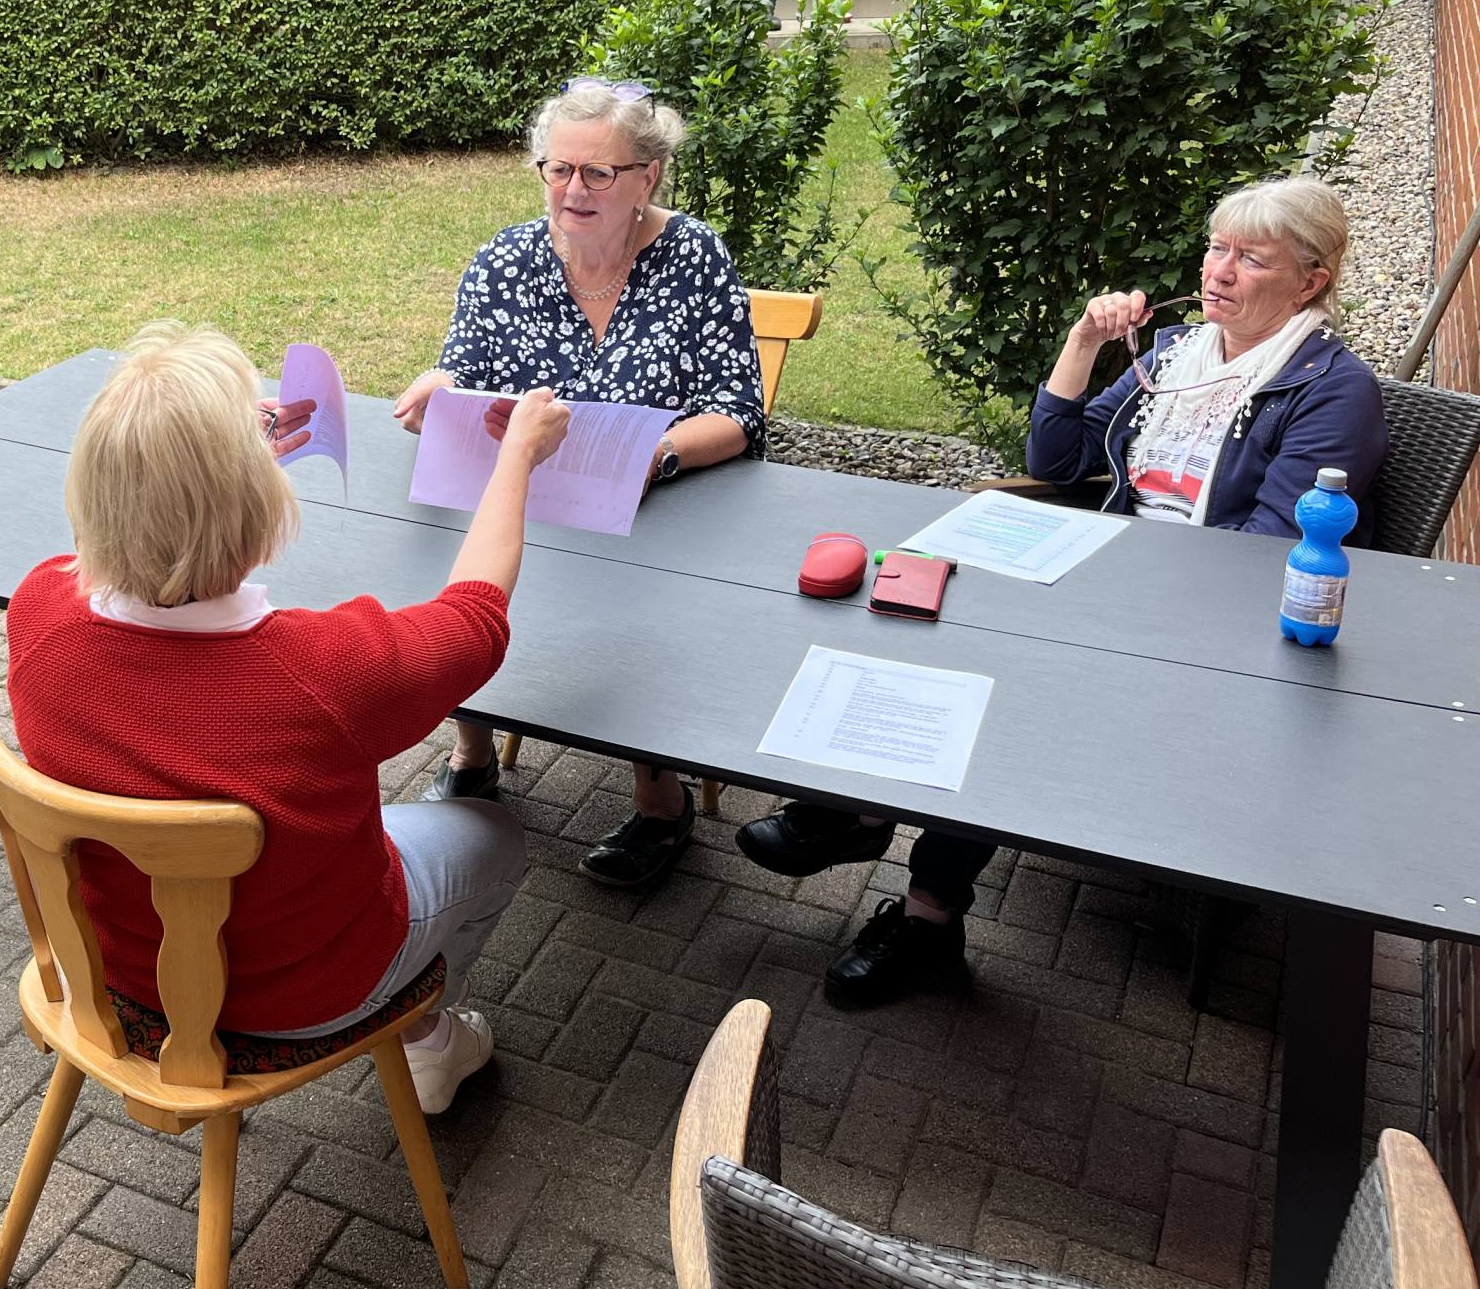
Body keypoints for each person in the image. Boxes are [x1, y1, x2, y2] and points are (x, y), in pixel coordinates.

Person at [740, 174, 1387, 1007]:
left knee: (1010, 683)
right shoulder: (1179, 354)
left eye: (1252, 259)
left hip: (1205, 631)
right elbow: (1056, 459)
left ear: (1310, 281)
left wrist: (1110, 582)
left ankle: (926, 914)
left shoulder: (1332, 391)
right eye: (1216, 248)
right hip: (1112, 579)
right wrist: (1083, 342)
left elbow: (1263, 556)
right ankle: (855, 810)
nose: (1220, 271)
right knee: (917, 604)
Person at [5, 323, 570, 1113]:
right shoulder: (327, 670)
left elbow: (96, 543)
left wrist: (193, 466)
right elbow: (476, 615)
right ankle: (428, 1039)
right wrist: (517, 460)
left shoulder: (36, 610)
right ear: (259, 507)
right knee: (494, 831)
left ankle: (421, 1038)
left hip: (113, 970)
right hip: (310, 995)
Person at [394, 78, 765, 892]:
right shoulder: (506, 260)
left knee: (642, 598)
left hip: (657, 507)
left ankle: (661, 800)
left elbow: (738, 413)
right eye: (558, 169)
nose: (573, 190)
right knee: (449, 573)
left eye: (599, 172)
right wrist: (439, 386)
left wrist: (651, 457)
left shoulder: (693, 256)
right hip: (529, 499)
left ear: (648, 176)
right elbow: (466, 370)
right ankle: (471, 752)